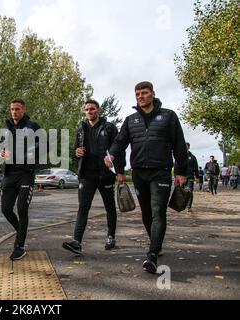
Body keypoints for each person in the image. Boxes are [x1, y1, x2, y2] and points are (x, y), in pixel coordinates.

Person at [105, 81, 188, 274]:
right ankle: (156, 243)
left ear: (152, 94)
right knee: (146, 213)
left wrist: (182, 171)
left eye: (144, 93)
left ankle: (151, 255)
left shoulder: (168, 116)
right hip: (139, 172)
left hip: (161, 171)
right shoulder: (130, 120)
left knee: (158, 210)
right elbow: (120, 142)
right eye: (137, 94)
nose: (141, 96)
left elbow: (179, 144)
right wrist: (111, 155)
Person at [62, 99, 125, 255]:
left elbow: (119, 150)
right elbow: (75, 152)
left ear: (98, 110)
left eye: (92, 109)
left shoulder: (109, 128)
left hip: (105, 175)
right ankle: (76, 241)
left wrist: (120, 171)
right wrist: (77, 153)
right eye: (87, 109)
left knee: (109, 207)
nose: (89, 111)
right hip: (86, 175)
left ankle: (111, 237)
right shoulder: (81, 130)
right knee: (83, 207)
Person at [0, 99, 42, 261]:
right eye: (12, 109)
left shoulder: (33, 126)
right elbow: (5, 147)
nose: (14, 112)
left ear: (23, 110)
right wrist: (3, 152)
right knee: (6, 209)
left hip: (26, 173)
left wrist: (29, 153)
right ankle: (21, 232)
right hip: (10, 173)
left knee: (22, 209)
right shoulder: (8, 128)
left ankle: (19, 246)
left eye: (17, 109)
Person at [179, 143, 200, 213]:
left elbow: (196, 168)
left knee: (189, 191)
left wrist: (197, 177)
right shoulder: (179, 156)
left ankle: (189, 206)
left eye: (187, 147)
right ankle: (183, 204)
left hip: (190, 177)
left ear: (189, 148)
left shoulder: (193, 157)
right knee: (182, 192)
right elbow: (176, 166)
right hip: (181, 177)